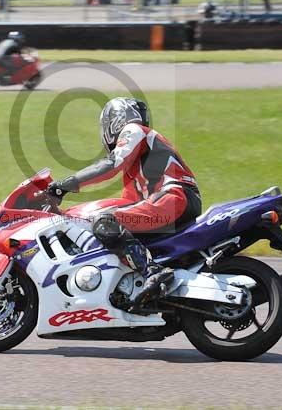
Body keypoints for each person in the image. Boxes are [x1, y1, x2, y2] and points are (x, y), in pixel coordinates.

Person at [47, 97, 202, 310]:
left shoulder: (134, 130)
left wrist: (66, 184)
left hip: (174, 197)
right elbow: (125, 204)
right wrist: (70, 213)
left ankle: (152, 272)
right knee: (110, 223)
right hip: (171, 201)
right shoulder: (136, 166)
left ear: (115, 120)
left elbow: (111, 164)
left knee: (105, 222)